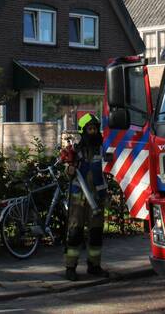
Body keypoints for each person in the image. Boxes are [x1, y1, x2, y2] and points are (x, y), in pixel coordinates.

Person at [62, 113, 108, 281]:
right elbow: (67, 172)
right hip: (78, 199)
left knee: (96, 234)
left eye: (95, 128)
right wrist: (70, 170)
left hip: (97, 199)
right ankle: (70, 267)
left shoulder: (103, 149)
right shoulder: (75, 151)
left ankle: (94, 266)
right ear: (83, 131)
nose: (93, 132)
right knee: (75, 233)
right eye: (90, 128)